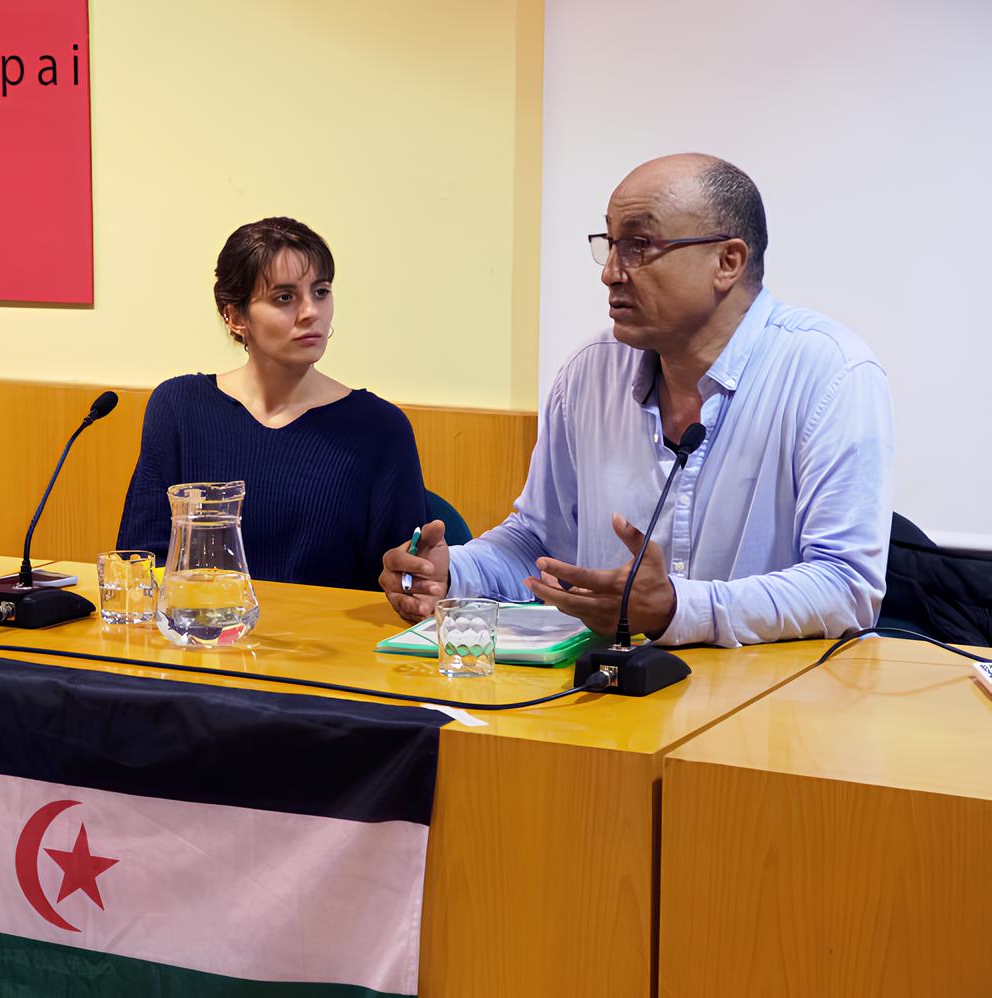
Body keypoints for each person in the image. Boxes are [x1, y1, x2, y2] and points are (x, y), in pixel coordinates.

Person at [381, 154, 894, 647]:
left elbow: (847, 587)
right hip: (611, 696)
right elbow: (539, 544)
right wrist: (452, 574)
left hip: (773, 707)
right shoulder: (590, 373)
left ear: (727, 261)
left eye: (639, 245)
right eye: (610, 242)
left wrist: (676, 609)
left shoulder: (830, 374)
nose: (610, 271)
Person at [117, 216, 426, 590]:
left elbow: (400, 584)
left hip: (329, 644)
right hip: (203, 637)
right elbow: (140, 560)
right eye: (285, 297)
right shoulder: (179, 407)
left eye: (321, 292)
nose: (311, 311)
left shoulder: (381, 428)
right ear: (234, 316)